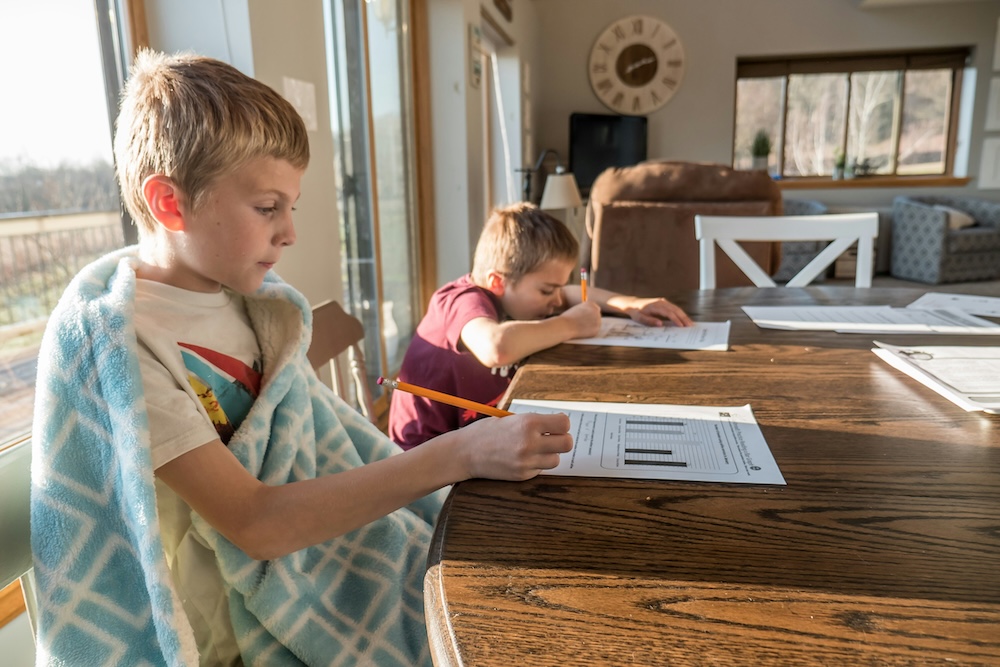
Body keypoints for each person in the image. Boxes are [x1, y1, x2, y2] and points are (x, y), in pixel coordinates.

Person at [30, 50, 571, 667]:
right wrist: (460, 453)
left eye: (292, 207)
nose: (290, 232)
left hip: (308, 570)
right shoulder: (122, 346)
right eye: (267, 208)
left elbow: (313, 442)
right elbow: (256, 524)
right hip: (223, 640)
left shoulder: (254, 306)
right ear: (170, 204)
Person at [389, 202, 693, 450]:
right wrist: (570, 325)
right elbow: (496, 347)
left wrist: (627, 304)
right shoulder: (459, 300)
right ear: (497, 281)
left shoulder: (510, 294)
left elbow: (569, 295)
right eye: (547, 290)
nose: (556, 299)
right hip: (426, 460)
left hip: (475, 435)